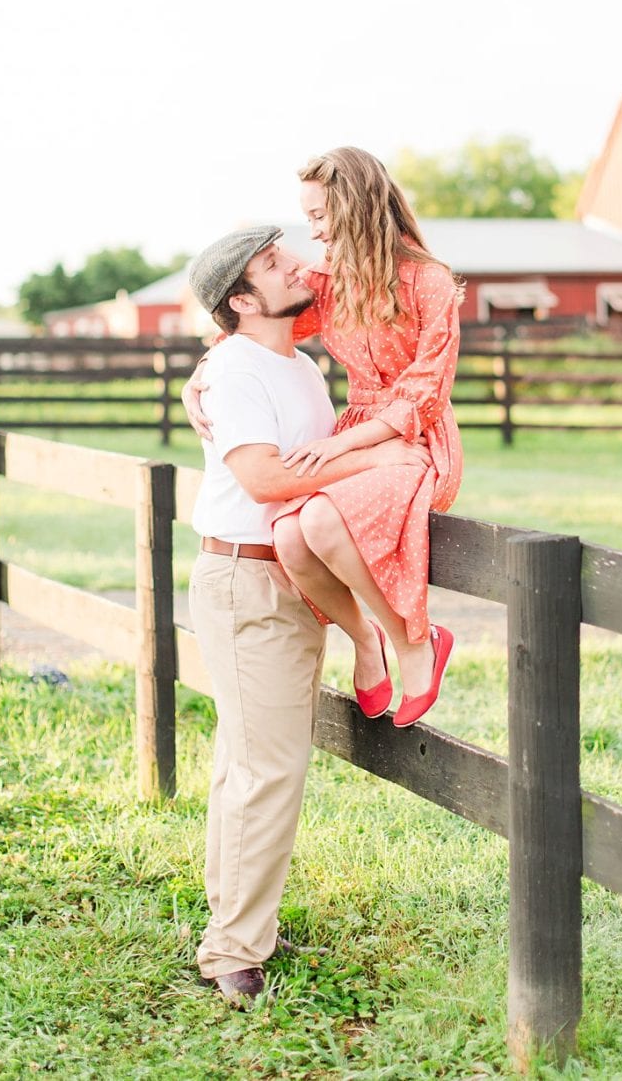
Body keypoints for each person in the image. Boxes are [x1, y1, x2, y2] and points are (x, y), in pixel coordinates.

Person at [186, 225, 428, 1004]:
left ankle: (237, 919)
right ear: (243, 299)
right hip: (244, 582)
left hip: (285, 581)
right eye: (273, 263)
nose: (297, 262)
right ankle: (233, 950)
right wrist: (380, 456)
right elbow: (261, 476)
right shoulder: (235, 368)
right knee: (266, 768)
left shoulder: (293, 361)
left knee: (246, 761)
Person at [186, 146, 466, 729]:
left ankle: (414, 641)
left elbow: (426, 388)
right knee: (289, 535)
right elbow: (252, 321)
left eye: (318, 217)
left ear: (356, 208)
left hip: (413, 438)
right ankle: (366, 642)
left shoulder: (429, 282)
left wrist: (346, 445)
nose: (310, 234)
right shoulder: (331, 284)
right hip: (360, 435)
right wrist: (203, 373)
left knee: (312, 522)